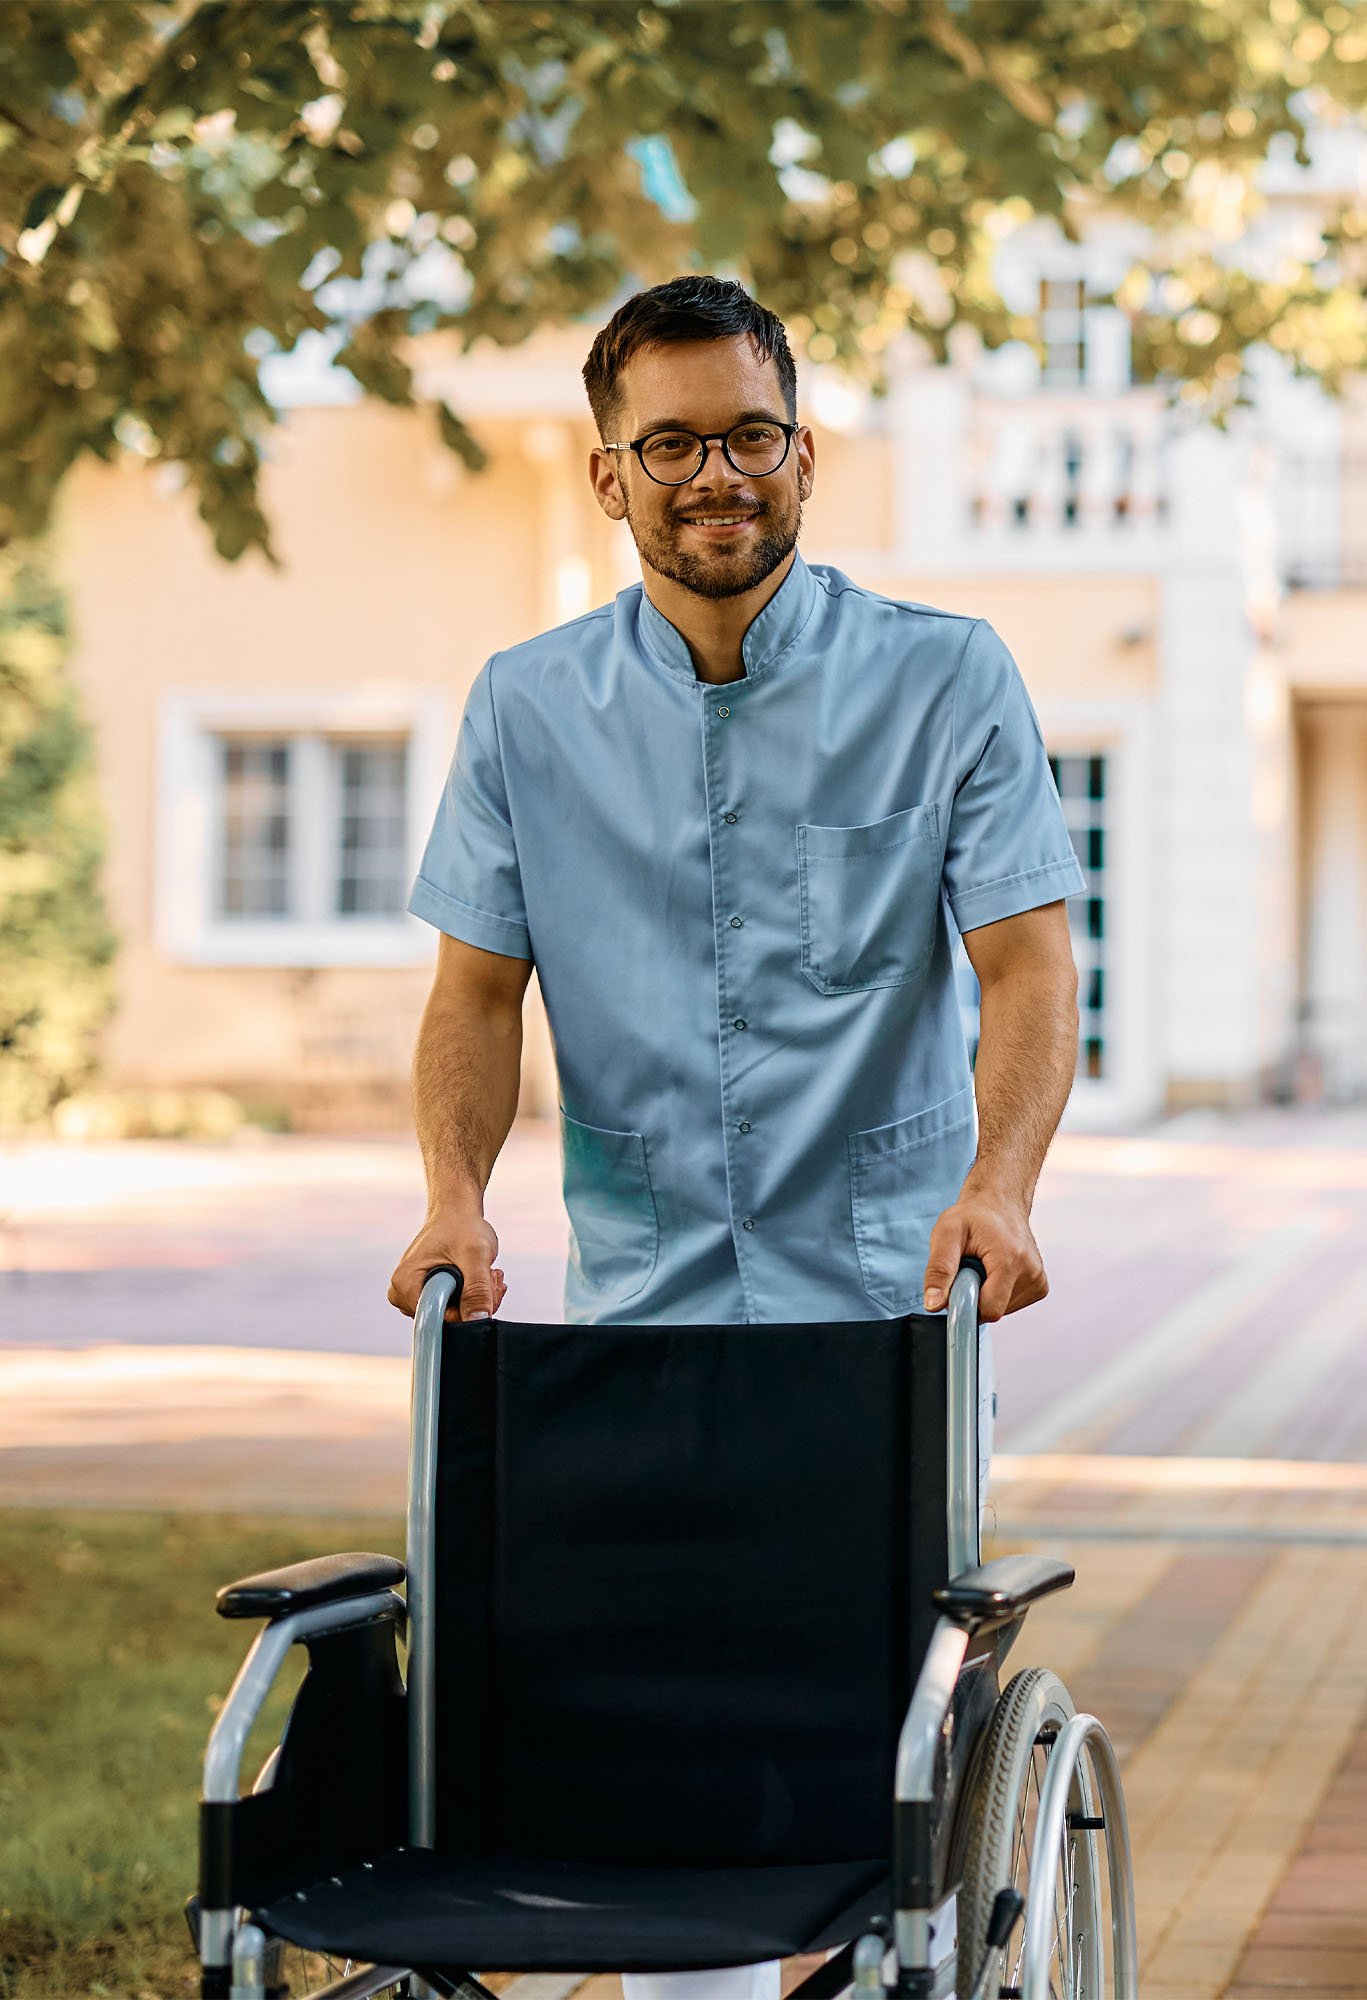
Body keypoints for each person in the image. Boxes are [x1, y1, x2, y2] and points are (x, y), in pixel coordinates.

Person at [388, 275, 1084, 2000]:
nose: (719, 474)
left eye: (751, 435)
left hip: (884, 1317)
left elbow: (1027, 965)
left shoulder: (946, 678)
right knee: (662, 1767)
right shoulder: (524, 707)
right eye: (673, 441)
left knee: (872, 1755)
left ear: (805, 454)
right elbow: (477, 996)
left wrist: (999, 1185)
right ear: (610, 474)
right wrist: (452, 1201)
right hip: (636, 1309)